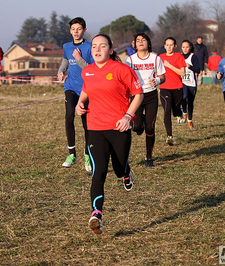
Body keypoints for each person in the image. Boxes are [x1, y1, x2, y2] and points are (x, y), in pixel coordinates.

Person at [76, 34, 143, 234]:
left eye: (102, 46)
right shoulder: (87, 71)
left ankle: (126, 174)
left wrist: (127, 117)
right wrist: (81, 102)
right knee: (99, 173)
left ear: (111, 50)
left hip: (119, 127)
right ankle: (96, 214)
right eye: (94, 46)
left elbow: (138, 94)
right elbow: (87, 90)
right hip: (95, 128)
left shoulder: (122, 70)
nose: (97, 50)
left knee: (119, 167)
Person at [57, 17, 94, 171]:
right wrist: (61, 71)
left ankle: (88, 155)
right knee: (69, 115)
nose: (76, 32)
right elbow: (66, 60)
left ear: (84, 30)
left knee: (87, 124)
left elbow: (91, 69)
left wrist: (79, 59)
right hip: (70, 87)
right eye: (73, 29)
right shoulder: (66, 46)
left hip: (86, 89)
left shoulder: (90, 47)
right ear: (70, 31)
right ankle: (72, 154)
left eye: (79, 29)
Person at [125, 33, 165, 167]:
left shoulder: (155, 58)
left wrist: (158, 80)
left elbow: (163, 76)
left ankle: (149, 157)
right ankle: (139, 124)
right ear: (134, 44)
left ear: (148, 43)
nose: (141, 42)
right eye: (138, 40)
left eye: (143, 40)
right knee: (136, 126)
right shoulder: (130, 60)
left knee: (150, 127)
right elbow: (125, 79)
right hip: (136, 96)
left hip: (151, 95)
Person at [158, 37, 186, 145]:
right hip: (165, 88)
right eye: (167, 45)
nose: (169, 47)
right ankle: (169, 136)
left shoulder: (179, 56)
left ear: (175, 46)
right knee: (166, 110)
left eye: (171, 45)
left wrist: (169, 66)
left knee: (175, 110)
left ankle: (179, 112)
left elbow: (182, 73)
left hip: (177, 87)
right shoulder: (160, 57)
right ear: (164, 46)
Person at [180, 39, 200, 130]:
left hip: (191, 83)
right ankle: (184, 113)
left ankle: (190, 120)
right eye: (183, 47)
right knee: (184, 97)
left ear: (190, 47)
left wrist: (190, 66)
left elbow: (198, 70)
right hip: (182, 82)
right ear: (181, 48)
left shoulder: (193, 57)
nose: (185, 49)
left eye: (187, 47)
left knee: (190, 102)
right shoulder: (179, 56)